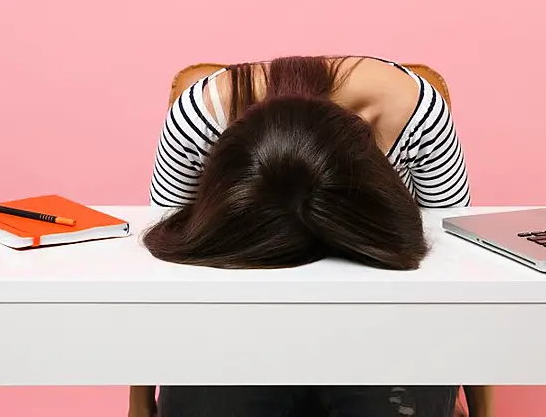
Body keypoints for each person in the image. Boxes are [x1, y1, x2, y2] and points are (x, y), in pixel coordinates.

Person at [134, 55, 472, 417]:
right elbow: (163, 270)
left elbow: (462, 270)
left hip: (383, 328)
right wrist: (137, 406)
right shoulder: (200, 120)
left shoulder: (418, 117)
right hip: (237, 331)